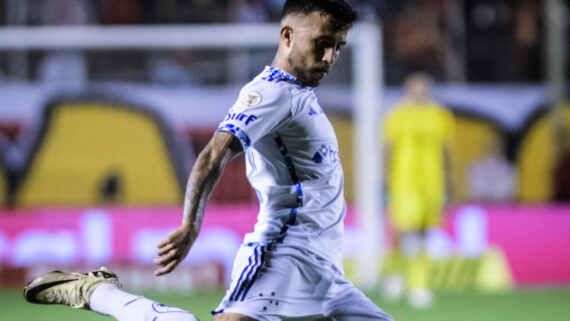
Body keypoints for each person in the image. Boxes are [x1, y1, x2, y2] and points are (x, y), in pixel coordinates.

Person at [24, 1, 394, 321]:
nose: (330, 57)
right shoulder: (271, 92)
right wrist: (191, 225)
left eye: (338, 47)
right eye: (322, 44)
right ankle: (99, 293)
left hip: (326, 269)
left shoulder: (300, 94)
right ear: (287, 36)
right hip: (282, 255)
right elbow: (212, 154)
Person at [382, 72, 454, 308]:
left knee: (423, 233)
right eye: (415, 88)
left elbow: (446, 151)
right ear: (407, 89)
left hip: (432, 183)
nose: (419, 92)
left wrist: (451, 182)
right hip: (404, 182)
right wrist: (384, 180)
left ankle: (416, 282)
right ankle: (403, 277)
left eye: (423, 88)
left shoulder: (440, 115)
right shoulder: (398, 115)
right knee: (405, 231)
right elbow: (388, 149)